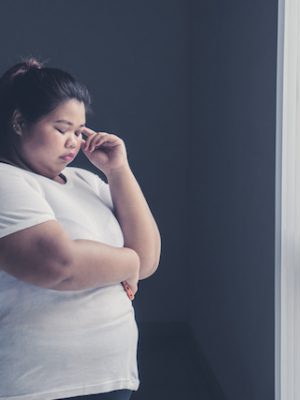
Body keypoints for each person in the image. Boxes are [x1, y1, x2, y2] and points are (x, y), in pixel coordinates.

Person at [0, 57, 161, 400]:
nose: (73, 142)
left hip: (112, 377)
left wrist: (119, 171)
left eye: (78, 131)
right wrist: (126, 263)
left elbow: (149, 259)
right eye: (61, 129)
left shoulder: (86, 180)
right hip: (38, 384)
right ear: (18, 122)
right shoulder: (6, 180)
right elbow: (59, 265)